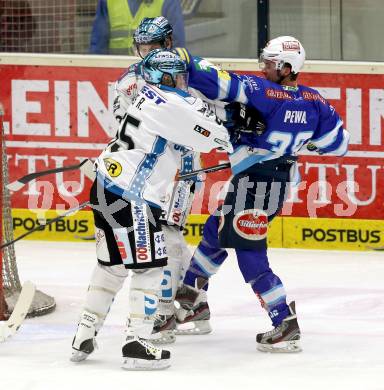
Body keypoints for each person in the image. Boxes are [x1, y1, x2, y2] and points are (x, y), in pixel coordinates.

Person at [175, 36, 350, 353]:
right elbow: (338, 145)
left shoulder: (260, 92)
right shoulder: (315, 101)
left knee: (249, 254)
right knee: (215, 231)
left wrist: (184, 59)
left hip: (256, 185)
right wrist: (305, 140)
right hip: (275, 184)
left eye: (269, 63)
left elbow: (218, 81)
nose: (264, 68)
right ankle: (190, 302)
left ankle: (284, 322)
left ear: (287, 67)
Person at [70, 49, 232, 370]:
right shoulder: (172, 103)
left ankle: (84, 334)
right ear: (166, 77)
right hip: (134, 196)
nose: (184, 82)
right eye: (179, 76)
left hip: (105, 186)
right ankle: (137, 343)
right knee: (151, 268)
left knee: (112, 265)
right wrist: (239, 132)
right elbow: (212, 138)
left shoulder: (145, 94)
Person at [89, 0, 185, 54]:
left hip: (153, 75)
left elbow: (176, 46)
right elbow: (99, 45)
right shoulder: (108, 2)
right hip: (116, 74)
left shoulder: (168, 2)